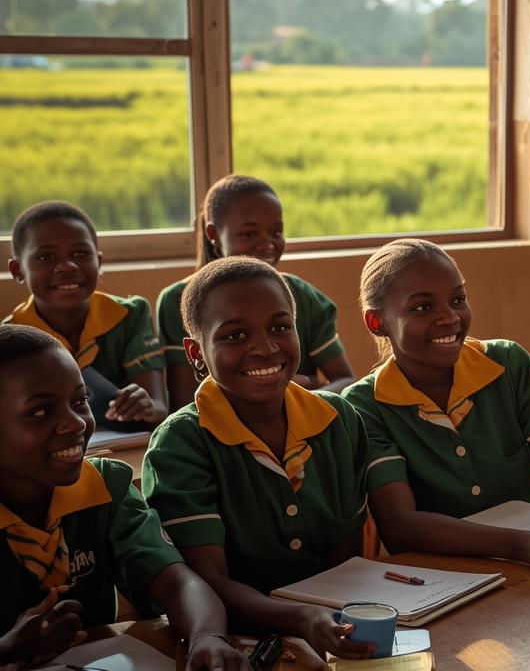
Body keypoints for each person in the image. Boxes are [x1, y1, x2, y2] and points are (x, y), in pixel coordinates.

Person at [344, 239, 530, 573]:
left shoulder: (509, 367)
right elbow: (401, 526)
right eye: (423, 307)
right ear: (377, 322)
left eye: (458, 300)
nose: (449, 317)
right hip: (441, 580)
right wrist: (519, 546)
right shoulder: (364, 407)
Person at [141, 257, 375, 662]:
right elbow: (208, 581)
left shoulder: (339, 421)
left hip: (328, 632)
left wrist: (328, 620)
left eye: (280, 328)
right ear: (196, 353)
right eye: (234, 335)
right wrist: (301, 618)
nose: (265, 348)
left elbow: (344, 562)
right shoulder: (180, 445)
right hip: (230, 643)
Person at [0, 324, 245, 671]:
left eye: (80, 401)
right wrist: (7, 648)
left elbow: (178, 584)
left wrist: (207, 637)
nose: (76, 423)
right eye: (40, 412)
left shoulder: (104, 486)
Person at [158, 175, 356, 408]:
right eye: (249, 234)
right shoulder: (179, 301)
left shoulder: (303, 295)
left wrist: (296, 393)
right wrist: (279, 387)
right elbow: (184, 400)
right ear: (214, 235)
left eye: (276, 233)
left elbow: (346, 381)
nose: (266, 244)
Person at [6, 202, 167, 430]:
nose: (67, 266)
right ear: (18, 270)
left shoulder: (129, 316)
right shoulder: (12, 339)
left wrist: (145, 405)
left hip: (125, 444)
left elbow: (159, 406)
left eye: (80, 254)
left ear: (99, 262)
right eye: (46, 257)